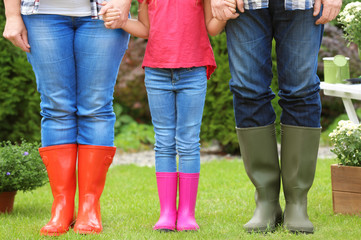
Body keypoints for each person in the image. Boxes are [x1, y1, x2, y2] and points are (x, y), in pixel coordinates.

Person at [101, 0, 238, 231]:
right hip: (157, 72)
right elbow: (145, 29)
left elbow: (212, 28)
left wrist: (224, 15)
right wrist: (123, 22)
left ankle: (186, 214)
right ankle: (166, 213)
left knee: (188, 142)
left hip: (193, 71)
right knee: (163, 142)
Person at [211, 0, 342, 234]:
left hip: (303, 4)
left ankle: (297, 202)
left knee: (301, 90)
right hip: (244, 4)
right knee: (247, 89)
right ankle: (267, 201)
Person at [3, 0, 132, 236]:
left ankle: (89, 207)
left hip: (104, 10)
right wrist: (12, 14)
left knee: (96, 107)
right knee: (56, 108)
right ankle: (61, 208)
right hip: (41, 13)